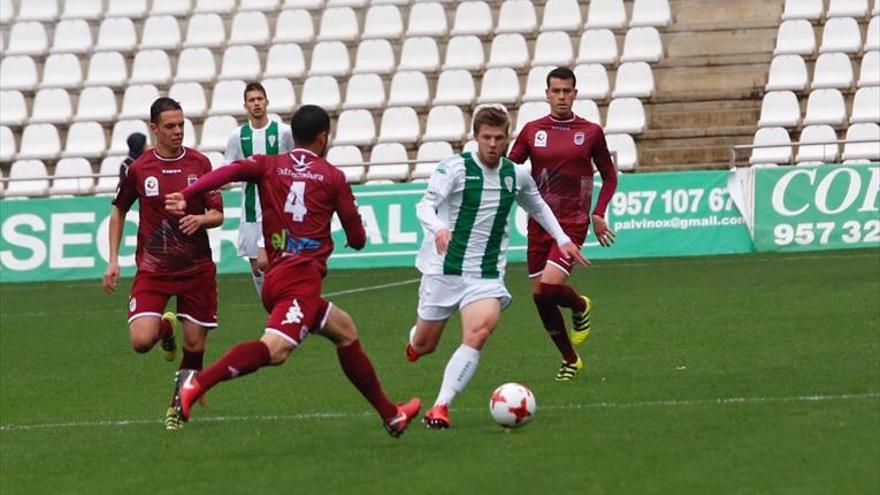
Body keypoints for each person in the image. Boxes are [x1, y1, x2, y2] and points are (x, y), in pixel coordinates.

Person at [164, 105, 421, 438]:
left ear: (293, 136)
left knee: (345, 331)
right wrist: (351, 238)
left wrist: (187, 194)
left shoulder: (268, 164)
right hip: (300, 281)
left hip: (275, 276)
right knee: (276, 350)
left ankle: (391, 415)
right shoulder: (332, 176)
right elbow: (357, 238)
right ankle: (196, 385)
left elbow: (228, 172)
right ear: (323, 137)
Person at [405, 106, 588, 429]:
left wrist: (562, 239)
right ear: (475, 137)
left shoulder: (515, 174)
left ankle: (440, 406)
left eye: (499, 138)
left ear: (507, 139)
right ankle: (415, 341)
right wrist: (439, 229)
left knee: (479, 332)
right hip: (444, 271)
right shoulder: (454, 169)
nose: (492, 144)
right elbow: (425, 206)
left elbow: (538, 206)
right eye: (486, 137)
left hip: (485, 275)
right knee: (424, 345)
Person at [102, 97, 224, 430]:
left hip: (196, 269)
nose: (178, 131)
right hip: (154, 270)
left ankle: (177, 406)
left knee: (195, 345)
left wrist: (199, 219)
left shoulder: (200, 163)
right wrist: (113, 260)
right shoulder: (140, 168)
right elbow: (119, 210)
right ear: (154, 128)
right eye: (170, 126)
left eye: (182, 124)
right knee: (142, 341)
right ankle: (165, 327)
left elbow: (217, 214)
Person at [508, 67, 619, 382]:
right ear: (547, 93)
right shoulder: (531, 131)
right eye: (555, 91)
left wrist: (598, 212)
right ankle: (570, 359)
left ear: (574, 93)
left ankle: (580, 305)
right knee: (540, 297)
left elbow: (609, 175)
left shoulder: (591, 132)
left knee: (549, 287)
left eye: (566, 91)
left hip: (572, 222)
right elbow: (509, 170)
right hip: (538, 222)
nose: (561, 97)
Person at [225, 82, 295, 297]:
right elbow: (228, 169)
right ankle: (272, 308)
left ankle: (283, 304)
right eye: (251, 100)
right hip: (250, 210)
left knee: (272, 261)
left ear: (267, 102)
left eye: (259, 99)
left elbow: (295, 161)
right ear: (245, 105)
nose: (256, 103)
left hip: (276, 208)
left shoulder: (283, 132)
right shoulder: (237, 136)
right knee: (257, 267)